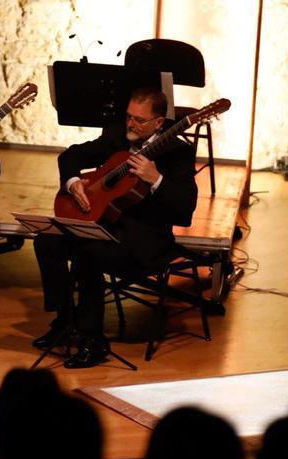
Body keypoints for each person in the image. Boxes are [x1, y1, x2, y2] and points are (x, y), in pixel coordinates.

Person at [32, 87, 197, 368]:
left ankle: (93, 340)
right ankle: (65, 319)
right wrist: (73, 183)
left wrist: (156, 179)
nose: (131, 124)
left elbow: (185, 211)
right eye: (128, 116)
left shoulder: (177, 152)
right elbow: (70, 157)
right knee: (46, 241)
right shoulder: (117, 135)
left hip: (144, 240)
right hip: (106, 224)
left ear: (159, 123)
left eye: (139, 120)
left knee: (88, 249)